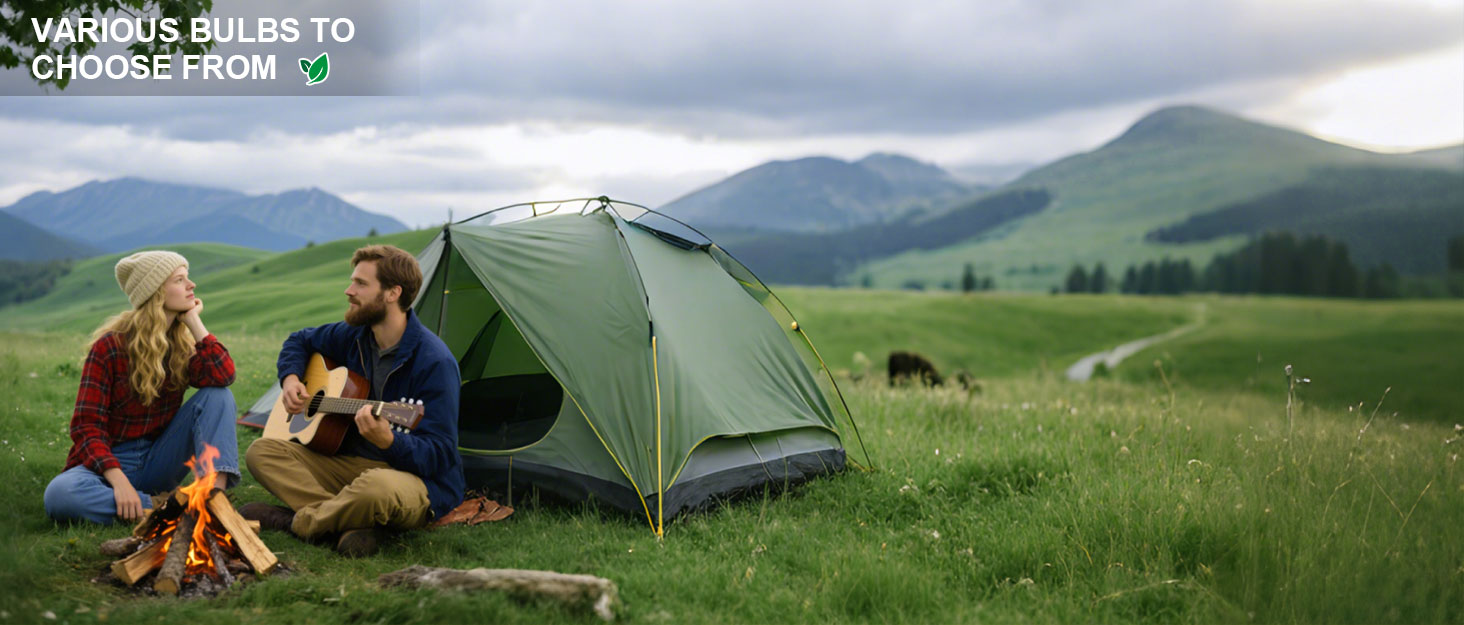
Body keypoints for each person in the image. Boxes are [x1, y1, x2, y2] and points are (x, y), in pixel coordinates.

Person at [242, 244, 463, 557]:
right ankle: (345, 522)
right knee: (262, 451)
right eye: (352, 281)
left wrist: (390, 443)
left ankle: (298, 522)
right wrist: (291, 379)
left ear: (392, 293)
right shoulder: (354, 335)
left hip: (412, 481)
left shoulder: (434, 362)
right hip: (349, 465)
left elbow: (440, 454)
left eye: (360, 284)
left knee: (377, 488)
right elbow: (299, 340)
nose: (348, 291)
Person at [44, 251, 239, 524]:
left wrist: (194, 321)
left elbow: (223, 375)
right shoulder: (110, 347)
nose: (191, 285)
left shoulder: (180, 346)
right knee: (60, 495)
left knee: (217, 396)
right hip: (108, 464)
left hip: (159, 458)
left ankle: (213, 499)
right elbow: (86, 426)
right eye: (180, 279)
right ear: (156, 292)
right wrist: (119, 481)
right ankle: (166, 507)